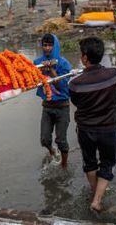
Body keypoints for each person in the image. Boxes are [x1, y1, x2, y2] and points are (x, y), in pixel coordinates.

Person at [69, 37, 116, 212]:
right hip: (108, 129)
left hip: (85, 130)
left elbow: (77, 102)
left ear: (85, 58)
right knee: (108, 162)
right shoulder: (115, 74)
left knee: (90, 162)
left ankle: (94, 194)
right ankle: (97, 200)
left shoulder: (75, 83)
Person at [34, 34, 72, 168]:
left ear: (55, 46)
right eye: (45, 45)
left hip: (63, 107)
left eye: (50, 45)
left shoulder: (64, 63)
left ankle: (64, 165)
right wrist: (39, 72)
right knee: (44, 139)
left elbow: (65, 88)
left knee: (61, 140)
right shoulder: (37, 63)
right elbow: (32, 81)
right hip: (47, 107)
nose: (47, 48)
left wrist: (52, 71)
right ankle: (52, 151)